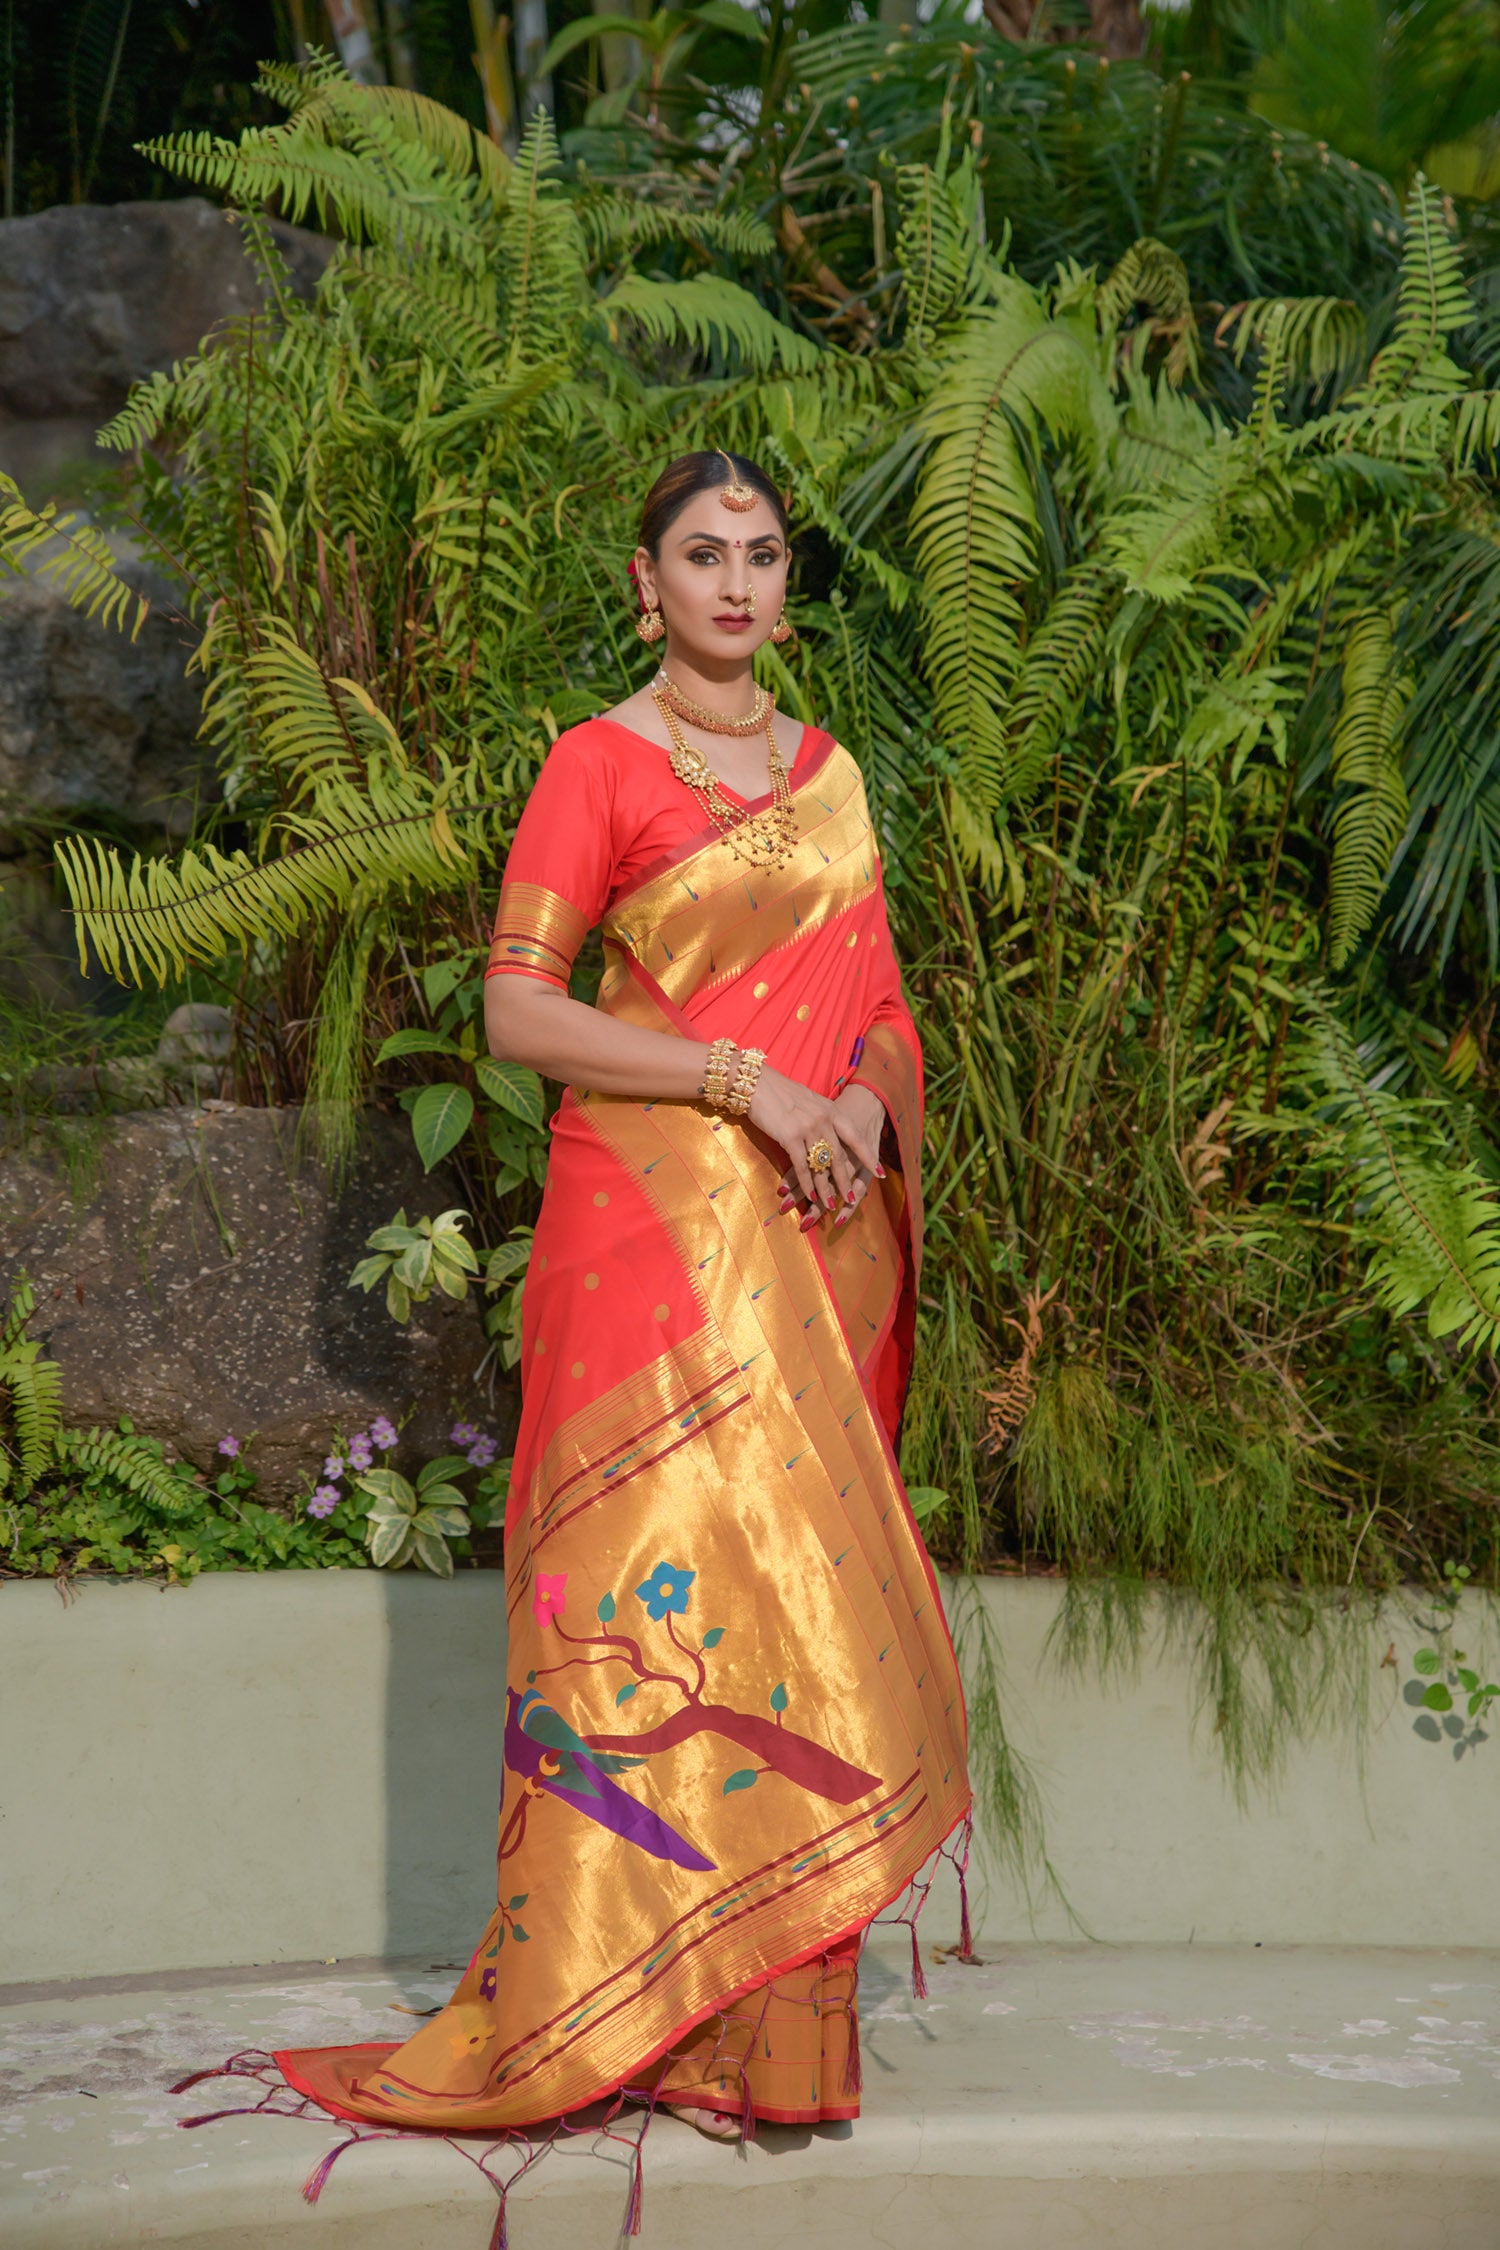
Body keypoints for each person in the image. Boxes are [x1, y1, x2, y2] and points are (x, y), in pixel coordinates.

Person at [274, 448, 971, 2147]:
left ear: (787, 586)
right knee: (640, 1617)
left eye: (765, 554)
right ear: (645, 582)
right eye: (703, 554)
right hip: (647, 1239)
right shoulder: (598, 765)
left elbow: (878, 996)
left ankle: (765, 2040)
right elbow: (521, 1010)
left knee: (782, 1615)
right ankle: (607, 1998)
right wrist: (745, 1080)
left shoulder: (836, 775)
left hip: (805, 1233)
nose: (738, 582)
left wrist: (865, 1106)